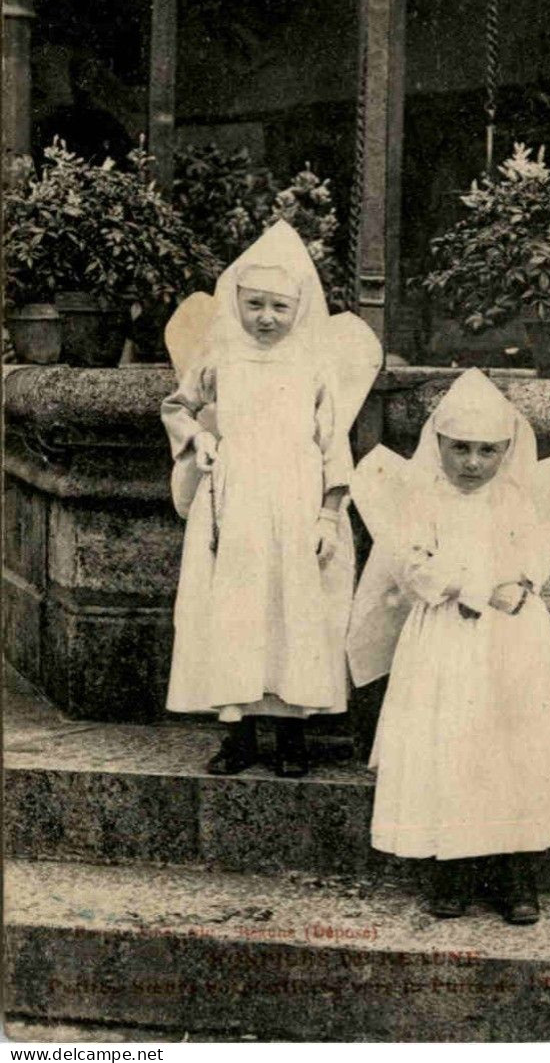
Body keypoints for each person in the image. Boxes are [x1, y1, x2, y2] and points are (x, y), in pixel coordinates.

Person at [347, 369, 550, 924]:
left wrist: (524, 580)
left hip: (511, 644)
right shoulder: (420, 500)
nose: (472, 463)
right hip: (443, 638)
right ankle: (451, 869)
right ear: (437, 443)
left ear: (507, 451)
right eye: (460, 449)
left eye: (488, 451)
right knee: (450, 743)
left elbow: (535, 555)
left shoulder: (517, 500)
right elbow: (411, 568)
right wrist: (470, 587)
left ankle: (515, 873)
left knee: (511, 747)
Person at [161, 220, 379, 778]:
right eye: (254, 304)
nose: (265, 317)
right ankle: (237, 735)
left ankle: (291, 736)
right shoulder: (218, 360)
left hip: (296, 497)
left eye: (279, 307)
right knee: (233, 610)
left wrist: (329, 514)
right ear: (236, 302)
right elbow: (177, 408)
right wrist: (201, 438)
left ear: (298, 309)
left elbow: (333, 446)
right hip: (233, 501)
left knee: (294, 611)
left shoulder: (314, 366)